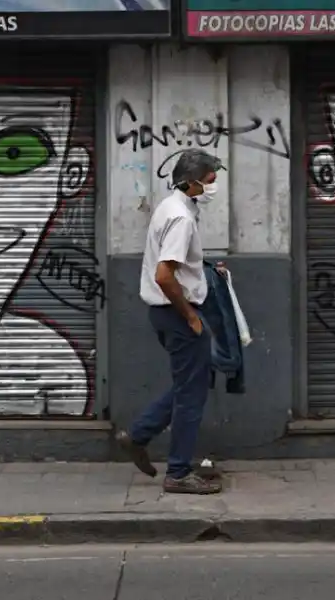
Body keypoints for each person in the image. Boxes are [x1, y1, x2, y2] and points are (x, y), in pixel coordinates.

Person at [116, 148, 224, 495]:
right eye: (210, 179)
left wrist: (206, 271)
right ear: (191, 182)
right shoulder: (180, 217)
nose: (214, 183)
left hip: (165, 312)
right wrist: (191, 316)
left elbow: (176, 264)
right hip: (177, 314)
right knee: (192, 394)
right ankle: (177, 473)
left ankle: (139, 435)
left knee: (191, 381)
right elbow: (165, 275)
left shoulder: (173, 206)